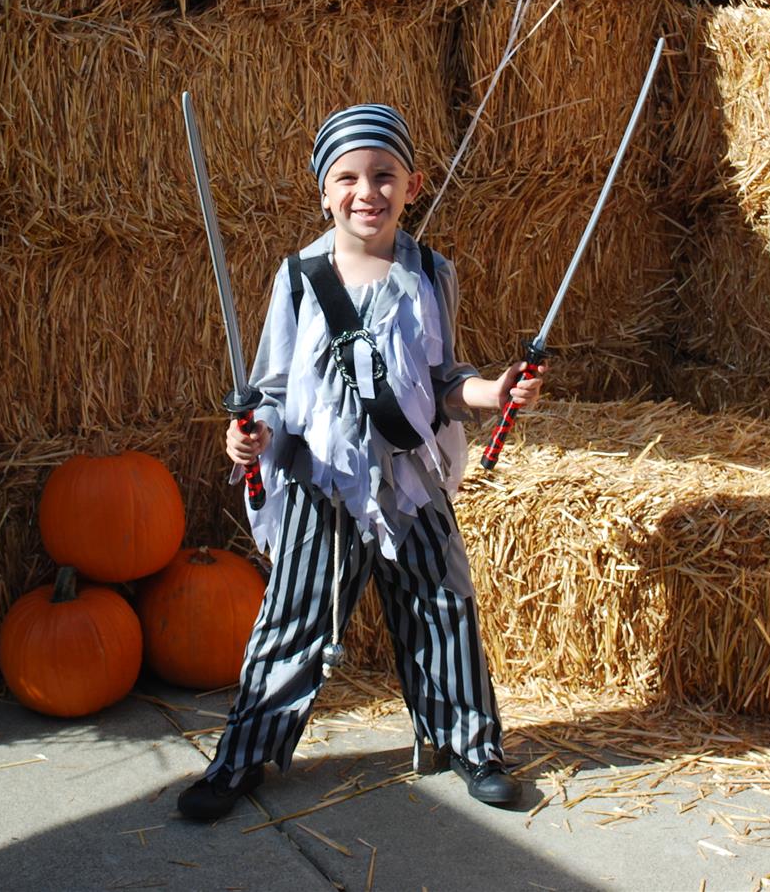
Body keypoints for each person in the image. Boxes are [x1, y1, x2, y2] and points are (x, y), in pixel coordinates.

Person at [176, 103, 544, 822]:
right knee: (295, 619)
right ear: (323, 190)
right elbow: (275, 388)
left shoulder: (433, 273)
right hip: (323, 483)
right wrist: (248, 436)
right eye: (347, 177)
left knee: (442, 610)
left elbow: (444, 380)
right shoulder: (299, 277)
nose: (366, 191)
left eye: (384, 174)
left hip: (410, 481)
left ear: (413, 183)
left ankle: (471, 743)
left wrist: (493, 391)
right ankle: (243, 756)